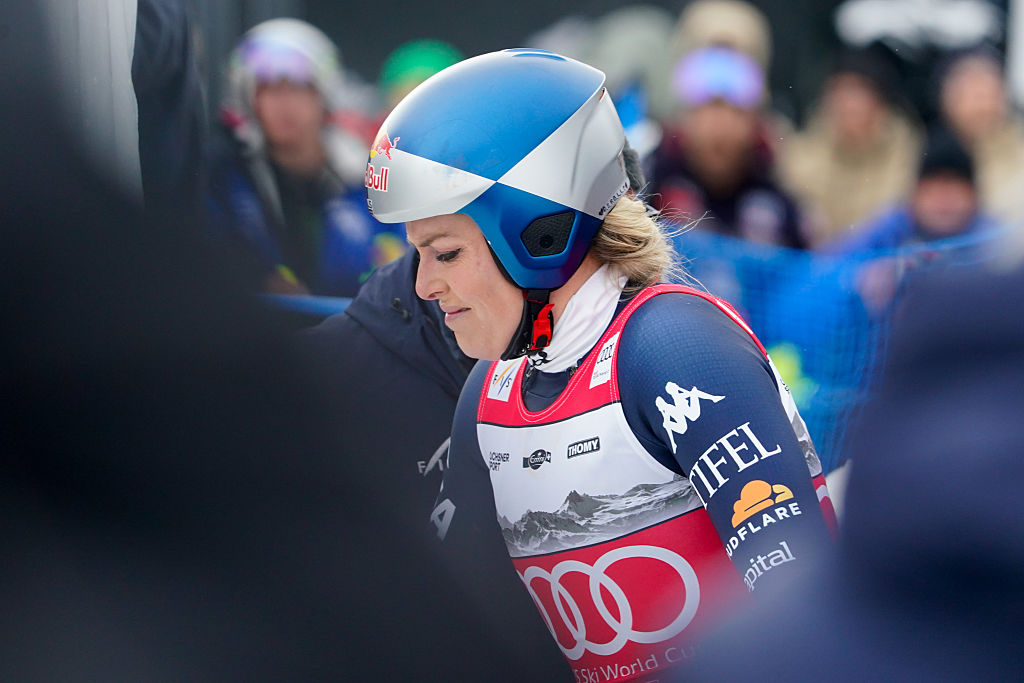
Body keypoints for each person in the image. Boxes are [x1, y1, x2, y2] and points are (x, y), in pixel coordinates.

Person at [364, 49, 836, 682]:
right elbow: (457, 632)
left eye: (445, 252)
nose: (422, 286)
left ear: (541, 234)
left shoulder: (675, 349)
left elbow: (808, 618)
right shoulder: (490, 393)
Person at [207, 18, 404, 297]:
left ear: (324, 95)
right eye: (269, 89)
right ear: (249, 99)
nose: (285, 104)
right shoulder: (225, 177)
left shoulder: (366, 175)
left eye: (299, 88)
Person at [651, 46, 809, 248]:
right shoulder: (651, 183)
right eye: (708, 109)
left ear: (754, 122)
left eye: (735, 112)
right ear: (685, 117)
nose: (721, 126)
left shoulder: (774, 202)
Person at [779, 46, 923, 245]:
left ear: (880, 102)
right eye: (839, 91)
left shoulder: (909, 157)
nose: (848, 104)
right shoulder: (799, 155)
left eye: (859, 92)